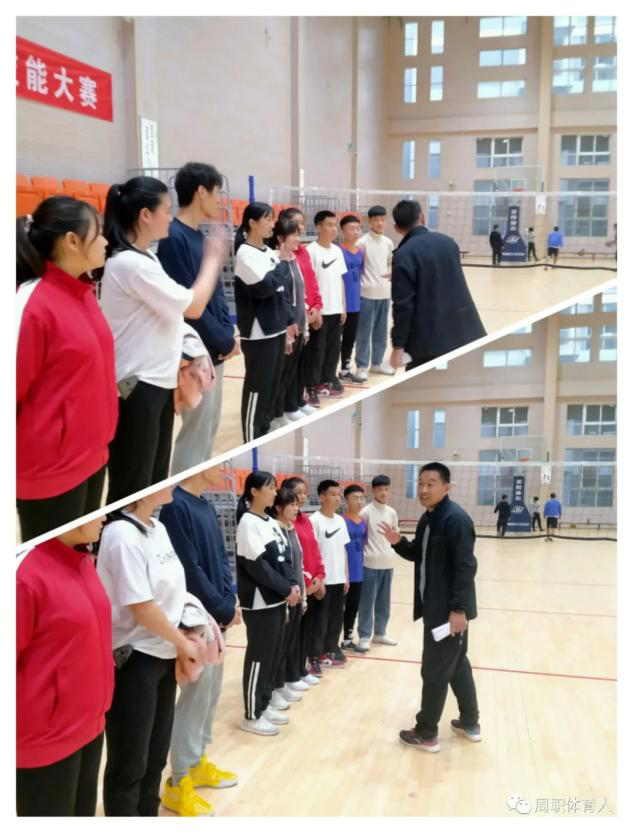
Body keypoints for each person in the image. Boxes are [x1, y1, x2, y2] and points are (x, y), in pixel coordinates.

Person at [99, 176, 227, 504]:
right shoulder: (129, 264)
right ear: (145, 215)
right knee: (132, 487)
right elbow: (193, 305)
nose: (171, 217)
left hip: (156, 384)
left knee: (152, 483)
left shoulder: (146, 258)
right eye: (166, 211)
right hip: (136, 387)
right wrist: (213, 259)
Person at [16, 197, 118, 541]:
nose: (105, 241)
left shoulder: (83, 292)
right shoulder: (32, 305)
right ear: (72, 241)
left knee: (77, 557)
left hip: (91, 459)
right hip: (50, 473)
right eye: (98, 233)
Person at [96, 485, 200, 816]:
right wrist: (182, 643)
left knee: (155, 756)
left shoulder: (160, 528)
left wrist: (180, 645)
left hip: (165, 654)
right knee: (130, 763)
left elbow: (175, 591)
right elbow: (141, 605)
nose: (170, 483)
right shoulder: (120, 534)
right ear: (141, 492)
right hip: (134, 660)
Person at [379, 463, 480, 753]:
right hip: (437, 609)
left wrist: (458, 610)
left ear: (446, 487)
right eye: (421, 483)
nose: (423, 489)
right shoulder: (429, 518)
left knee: (434, 670)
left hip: (448, 613)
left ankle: (426, 733)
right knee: (457, 665)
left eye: (431, 484)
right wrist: (399, 543)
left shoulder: (455, 520)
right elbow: (419, 555)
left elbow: (466, 567)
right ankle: (470, 722)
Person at [17, 515, 113, 816]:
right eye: (95, 512)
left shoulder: (81, 559)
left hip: (90, 727)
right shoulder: (24, 575)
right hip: (44, 743)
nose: (104, 516)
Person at [158, 466, 240, 817]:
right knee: (194, 699)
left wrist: (229, 601)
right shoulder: (176, 506)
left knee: (210, 696)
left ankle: (197, 763)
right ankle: (178, 781)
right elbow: (190, 570)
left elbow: (221, 558)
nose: (223, 468)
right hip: (195, 619)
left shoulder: (206, 505)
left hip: (217, 617)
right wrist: (220, 606)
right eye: (216, 462)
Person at [156, 162, 239, 474]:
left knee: (208, 432)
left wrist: (228, 336)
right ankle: (181, 495)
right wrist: (223, 341)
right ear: (201, 191)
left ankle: (192, 491)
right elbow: (189, 308)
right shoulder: (173, 239)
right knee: (195, 437)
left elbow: (215, 295)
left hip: (213, 351)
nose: (219, 199)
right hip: (194, 353)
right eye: (216, 192)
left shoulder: (199, 237)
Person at [235, 471, 301, 735]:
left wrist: (292, 585)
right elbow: (258, 567)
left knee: (273, 656)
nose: (275, 492)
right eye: (270, 487)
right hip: (260, 603)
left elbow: (285, 560)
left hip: (278, 601)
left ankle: (264, 703)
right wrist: (286, 589)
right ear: (254, 491)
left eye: (275, 487)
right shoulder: (247, 523)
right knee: (259, 659)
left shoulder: (271, 522)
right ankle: (252, 716)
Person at [389, 199, 486, 371]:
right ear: (422, 217)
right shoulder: (449, 243)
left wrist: (398, 346)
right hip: (465, 333)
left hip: (429, 342)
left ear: (397, 228)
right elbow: (439, 274)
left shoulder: (403, 254)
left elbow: (403, 306)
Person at [233, 202, 296, 442]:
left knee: (271, 388)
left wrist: (289, 322)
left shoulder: (269, 252)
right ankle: (251, 438)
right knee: (257, 390)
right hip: (259, 334)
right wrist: (282, 263)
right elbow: (265, 287)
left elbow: (280, 290)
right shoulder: (244, 254)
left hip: (277, 330)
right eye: (268, 219)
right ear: (252, 223)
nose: (272, 224)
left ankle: (263, 430)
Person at [280, 476, 325, 682]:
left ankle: (300, 670)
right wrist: (307, 583)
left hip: (312, 585)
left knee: (306, 632)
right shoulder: (286, 524)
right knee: (293, 635)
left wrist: (320, 576)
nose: (303, 496)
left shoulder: (305, 519)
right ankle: (291, 675)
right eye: (298, 492)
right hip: (300, 587)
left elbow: (315, 551)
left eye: (305, 492)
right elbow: (294, 560)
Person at [279, 207, 323, 412]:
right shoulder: (282, 257)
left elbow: (310, 282)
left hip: (307, 316)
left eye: (302, 224)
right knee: (288, 367)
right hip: (294, 318)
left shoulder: (303, 252)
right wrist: (304, 312)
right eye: (296, 224)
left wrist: (317, 307)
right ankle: (286, 407)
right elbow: (290, 292)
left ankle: (298, 401)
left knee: (301, 364)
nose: (301, 228)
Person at [271, 486, 311, 703]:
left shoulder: (291, 529)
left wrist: (303, 596)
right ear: (278, 507)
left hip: (297, 597)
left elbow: (298, 565)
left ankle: (284, 682)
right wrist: (287, 596)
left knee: (289, 645)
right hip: (284, 599)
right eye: (292, 504)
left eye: (297, 504)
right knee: (278, 648)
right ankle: (274, 689)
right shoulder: (274, 531)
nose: (297, 508)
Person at [269, 216, 309, 428]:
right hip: (287, 326)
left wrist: (305, 326)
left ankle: (287, 408)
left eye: (298, 234)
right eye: (293, 234)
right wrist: (287, 326)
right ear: (280, 238)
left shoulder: (294, 259)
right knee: (281, 375)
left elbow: (301, 293)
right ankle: (276, 414)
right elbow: (282, 297)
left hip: (299, 323)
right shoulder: (276, 260)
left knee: (291, 373)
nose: (298, 239)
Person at [306, 210, 348, 400]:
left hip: (336, 310)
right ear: (318, 227)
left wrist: (343, 306)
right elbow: (308, 284)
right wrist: (315, 310)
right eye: (329, 225)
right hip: (320, 311)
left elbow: (340, 280)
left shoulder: (337, 251)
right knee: (317, 351)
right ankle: (311, 386)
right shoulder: (311, 251)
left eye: (335, 225)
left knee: (333, 350)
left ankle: (327, 381)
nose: (333, 229)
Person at [309, 480, 350, 668]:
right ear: (322, 497)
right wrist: (318, 580)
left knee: (335, 620)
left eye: (338, 494)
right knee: (319, 621)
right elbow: (311, 554)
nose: (337, 498)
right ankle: (314, 656)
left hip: (339, 580)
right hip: (323, 581)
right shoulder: (314, 521)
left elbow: (343, 550)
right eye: (333, 494)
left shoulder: (340, 520)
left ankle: (330, 651)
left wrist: (346, 576)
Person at [357, 475, 399, 651]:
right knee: (366, 602)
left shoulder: (392, 512)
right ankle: (364, 636)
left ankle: (380, 633)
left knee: (384, 602)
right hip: (369, 564)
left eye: (386, 489)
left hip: (388, 563)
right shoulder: (365, 513)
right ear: (373, 490)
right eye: (380, 489)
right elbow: (360, 539)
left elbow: (395, 536)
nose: (383, 492)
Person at [355, 205, 395, 380]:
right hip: (366, 295)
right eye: (376, 219)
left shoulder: (388, 243)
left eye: (382, 219)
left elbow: (390, 263)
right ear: (369, 221)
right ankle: (362, 366)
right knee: (364, 333)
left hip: (385, 295)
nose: (380, 223)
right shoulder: (361, 243)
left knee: (381, 333)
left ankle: (377, 364)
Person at [339, 215, 365, 384]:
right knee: (335, 340)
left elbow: (360, 273)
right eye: (351, 228)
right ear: (343, 231)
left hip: (355, 303)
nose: (355, 232)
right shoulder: (338, 251)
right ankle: (327, 372)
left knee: (350, 338)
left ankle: (345, 369)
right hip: (340, 304)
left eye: (357, 228)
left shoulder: (361, 252)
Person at [341, 484, 368, 653]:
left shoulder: (363, 523)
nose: (359, 502)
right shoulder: (341, 521)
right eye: (355, 498)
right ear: (346, 500)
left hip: (358, 573)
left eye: (362, 498)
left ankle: (347, 640)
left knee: (353, 608)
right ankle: (330, 643)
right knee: (339, 610)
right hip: (343, 574)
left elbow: (363, 545)